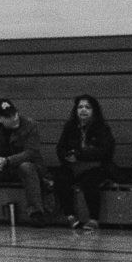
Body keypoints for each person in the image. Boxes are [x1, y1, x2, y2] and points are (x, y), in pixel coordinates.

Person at [51, 95, 117, 232]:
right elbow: (60, 148)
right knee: (60, 177)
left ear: (94, 110)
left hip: (96, 167)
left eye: (87, 107)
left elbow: (106, 151)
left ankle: (93, 219)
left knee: (90, 181)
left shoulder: (102, 128)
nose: (83, 110)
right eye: (80, 107)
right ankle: (70, 216)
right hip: (73, 166)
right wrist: (66, 157)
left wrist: (80, 155)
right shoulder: (70, 127)